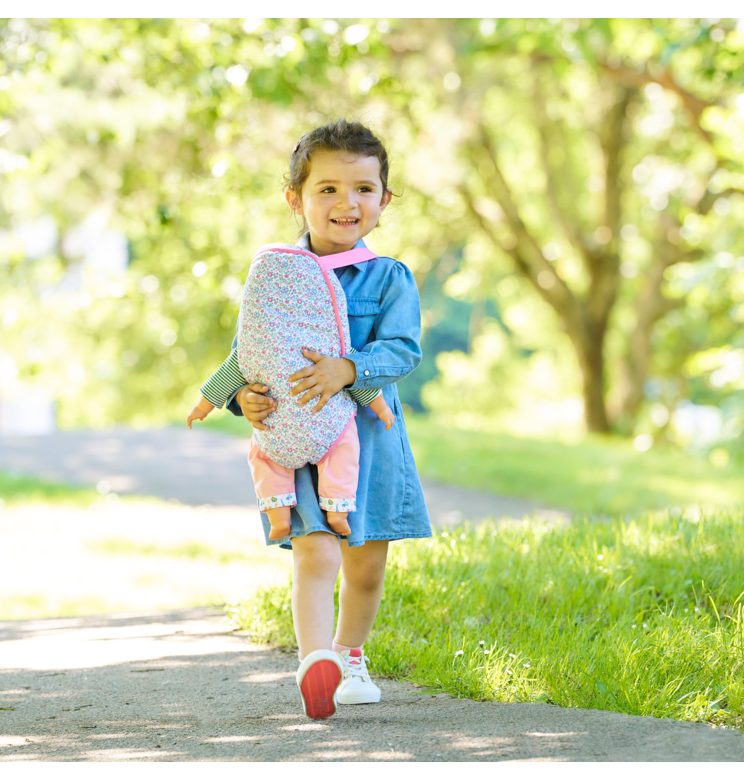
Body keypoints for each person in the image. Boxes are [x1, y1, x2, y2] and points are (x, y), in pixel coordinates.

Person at [210, 119, 431, 720]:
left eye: (363, 188)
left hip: (369, 440)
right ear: (296, 199)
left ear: (384, 201)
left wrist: (348, 369)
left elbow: (404, 349)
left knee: (364, 565)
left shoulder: (389, 277)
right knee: (314, 552)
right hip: (299, 442)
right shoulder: (274, 277)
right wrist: (244, 397)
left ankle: (349, 653)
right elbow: (251, 351)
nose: (346, 203)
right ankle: (315, 663)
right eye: (327, 189)